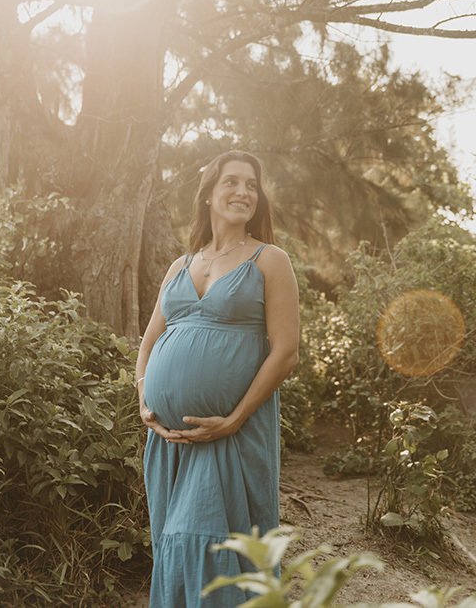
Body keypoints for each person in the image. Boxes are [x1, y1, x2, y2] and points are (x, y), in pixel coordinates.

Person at [135, 150, 300, 608]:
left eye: (252, 184)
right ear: (208, 194)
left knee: (215, 547)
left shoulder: (270, 260)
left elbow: (286, 353)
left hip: (231, 435)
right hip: (168, 441)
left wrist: (233, 419)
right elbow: (148, 344)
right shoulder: (180, 265)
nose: (243, 192)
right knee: (174, 544)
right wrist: (145, 399)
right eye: (232, 182)